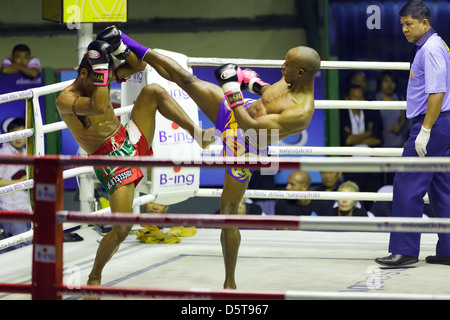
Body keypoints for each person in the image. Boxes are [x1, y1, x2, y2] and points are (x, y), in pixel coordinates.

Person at [105, 31, 320, 288]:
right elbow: (266, 94)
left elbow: (251, 128)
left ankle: (230, 282)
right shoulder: (289, 82)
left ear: (301, 73)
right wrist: (250, 82)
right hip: (235, 113)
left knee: (228, 213)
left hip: (245, 145)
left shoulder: (301, 111)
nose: (282, 65)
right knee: (185, 79)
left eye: (288, 64)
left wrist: (231, 89)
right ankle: (124, 43)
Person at [55, 28, 213, 295]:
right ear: (84, 75)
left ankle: (197, 135)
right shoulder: (66, 99)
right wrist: (103, 70)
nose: (100, 82)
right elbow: (98, 107)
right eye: (96, 78)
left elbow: (138, 65)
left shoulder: (96, 78)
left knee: (153, 90)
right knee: (122, 228)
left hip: (126, 138)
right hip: (109, 159)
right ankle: (94, 277)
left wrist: (119, 50)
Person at [375, 0, 450, 267]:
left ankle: (404, 250)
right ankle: (448, 250)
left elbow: (437, 92)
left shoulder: (430, 49)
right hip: (441, 123)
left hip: (434, 122)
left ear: (424, 23)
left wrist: (426, 130)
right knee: (442, 188)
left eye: (409, 24)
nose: (404, 29)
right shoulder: (431, 46)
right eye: (402, 25)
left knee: (407, 183)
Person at [340, 84, 384, 207]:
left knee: (371, 199)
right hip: (350, 165)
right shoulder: (341, 114)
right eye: (355, 97)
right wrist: (367, 134)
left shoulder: (371, 112)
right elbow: (347, 140)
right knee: (352, 199)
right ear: (347, 99)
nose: (358, 100)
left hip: (371, 164)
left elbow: (378, 139)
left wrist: (357, 140)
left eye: (361, 97)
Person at [0, 118, 31, 252]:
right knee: (23, 248)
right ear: (8, 134)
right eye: (14, 132)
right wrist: (21, 182)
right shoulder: (3, 154)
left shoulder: (28, 153)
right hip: (10, 210)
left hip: (27, 207)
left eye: (22, 132)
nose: (19, 137)